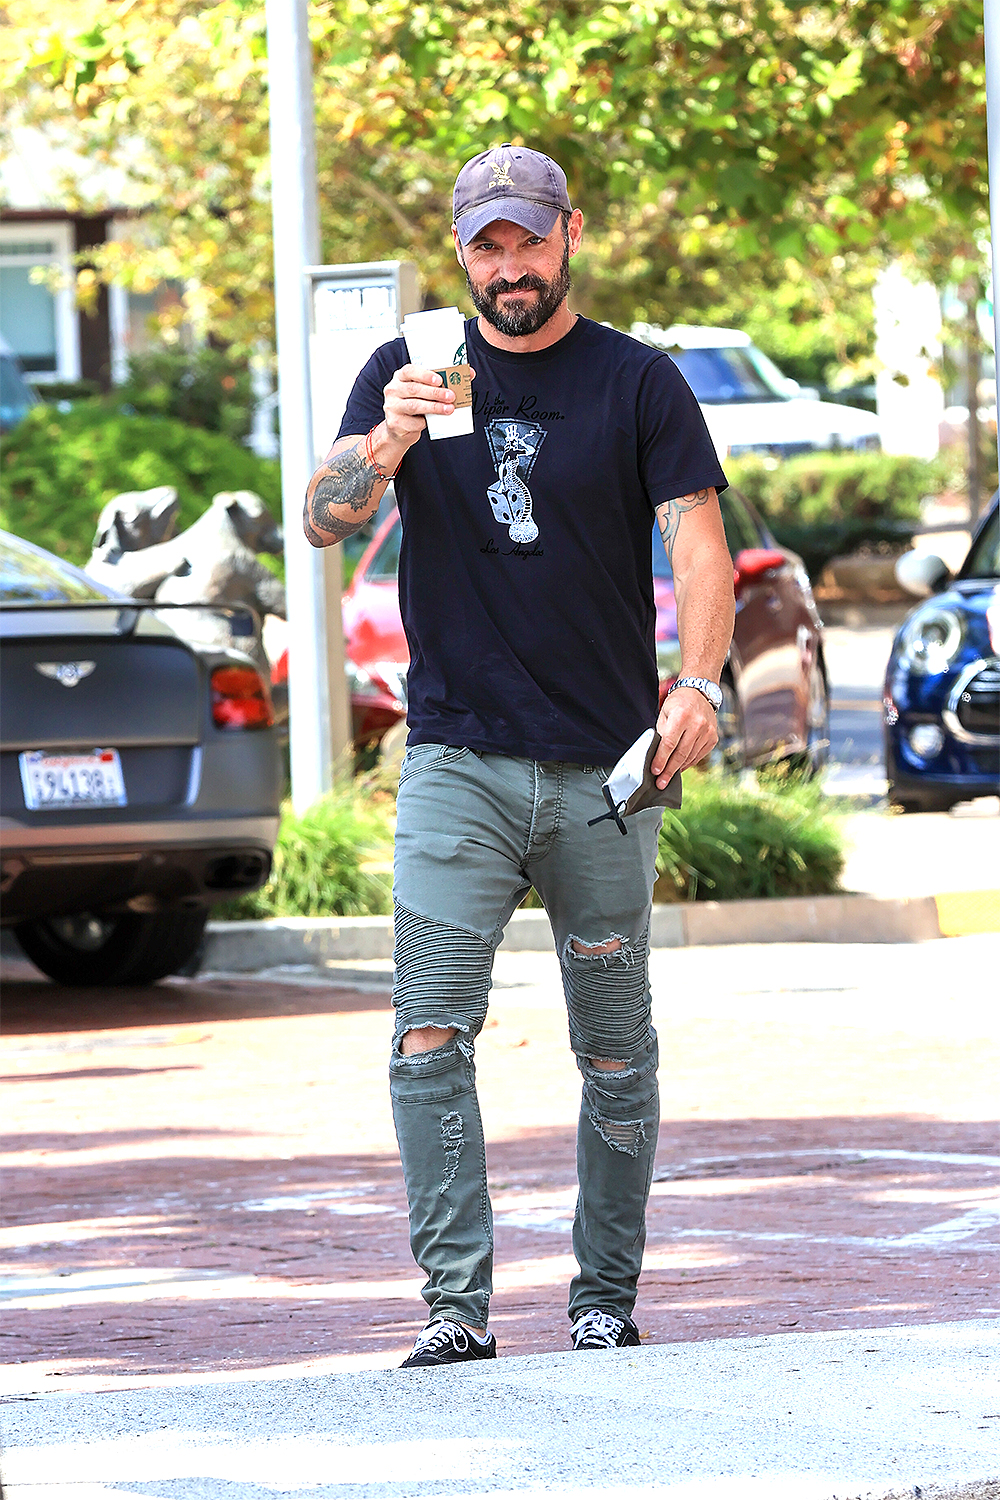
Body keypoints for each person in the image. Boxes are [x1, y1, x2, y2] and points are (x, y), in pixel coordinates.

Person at [304, 143, 735, 1367]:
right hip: (457, 760)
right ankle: (455, 1308)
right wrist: (381, 441)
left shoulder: (638, 384)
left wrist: (695, 684)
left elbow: (696, 548)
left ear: (568, 237)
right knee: (427, 1032)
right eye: (486, 247)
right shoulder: (410, 372)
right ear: (461, 256)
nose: (509, 268)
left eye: (527, 242)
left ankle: (602, 1298)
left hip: (606, 773)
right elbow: (324, 523)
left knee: (613, 1042)